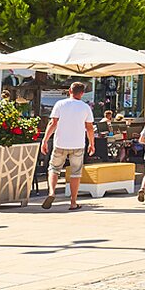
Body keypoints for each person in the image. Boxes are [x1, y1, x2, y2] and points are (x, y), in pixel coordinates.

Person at [40, 82, 96, 210]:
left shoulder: (60, 104)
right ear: (82, 93)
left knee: (54, 168)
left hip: (60, 143)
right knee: (76, 173)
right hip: (78, 144)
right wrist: (92, 144)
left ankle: (52, 192)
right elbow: (90, 128)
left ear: (69, 90)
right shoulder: (85, 107)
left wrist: (45, 140)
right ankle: (73, 202)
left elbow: (53, 123)